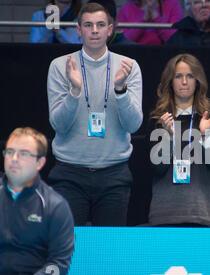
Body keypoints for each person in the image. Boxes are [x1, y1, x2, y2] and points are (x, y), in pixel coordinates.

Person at [46, 2, 143, 226]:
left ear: (110, 29)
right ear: (79, 30)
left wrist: (120, 90)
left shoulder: (129, 67)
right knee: (69, 250)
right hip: (69, 173)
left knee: (108, 252)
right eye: (88, 25)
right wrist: (75, 91)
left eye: (101, 25)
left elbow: (134, 125)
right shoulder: (61, 66)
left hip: (114, 175)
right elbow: (58, 125)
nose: (95, 30)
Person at [148, 53, 210, 227]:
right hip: (165, 214)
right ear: (170, 81)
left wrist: (205, 135)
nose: (184, 82)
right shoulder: (158, 119)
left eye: (190, 76)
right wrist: (168, 137)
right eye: (178, 76)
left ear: (198, 80)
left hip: (204, 213)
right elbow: (157, 168)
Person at [0, 127, 74, 275]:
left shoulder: (55, 206)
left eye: (24, 154)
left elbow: (58, 266)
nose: (14, 159)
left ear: (40, 163)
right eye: (10, 152)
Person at [117, 0, 183, 45]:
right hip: (134, 54)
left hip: (166, 53)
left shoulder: (173, 5)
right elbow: (122, 41)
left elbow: (176, 40)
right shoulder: (127, 8)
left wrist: (156, 17)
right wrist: (144, 20)